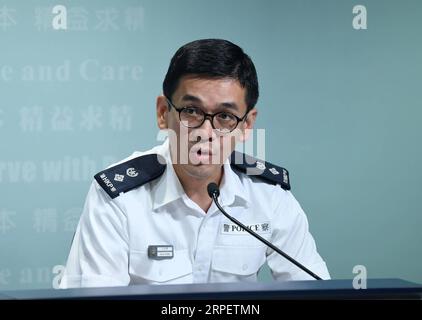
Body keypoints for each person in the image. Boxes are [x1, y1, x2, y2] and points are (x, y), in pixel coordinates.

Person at [60, 39, 330, 288]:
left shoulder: (269, 196)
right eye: (191, 111)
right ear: (164, 113)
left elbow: (315, 291)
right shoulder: (119, 198)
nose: (206, 131)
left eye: (225, 116)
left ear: (246, 125)